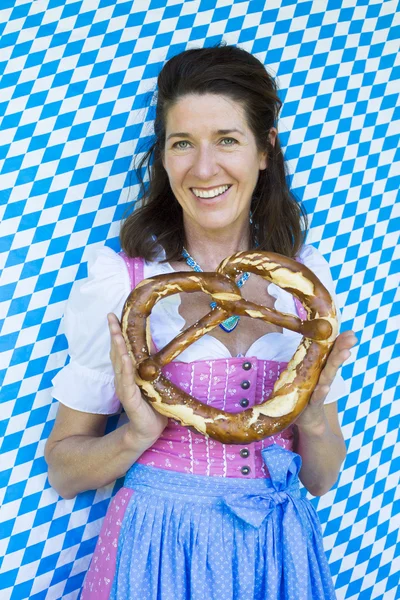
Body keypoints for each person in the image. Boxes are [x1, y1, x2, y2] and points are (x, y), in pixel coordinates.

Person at [45, 44, 357, 600]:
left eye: (227, 141)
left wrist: (311, 419)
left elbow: (321, 479)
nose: (204, 167)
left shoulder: (303, 281)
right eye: (182, 143)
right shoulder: (122, 282)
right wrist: (138, 436)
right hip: (157, 548)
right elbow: (64, 472)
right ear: (163, 158)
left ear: (266, 151)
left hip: (278, 550)